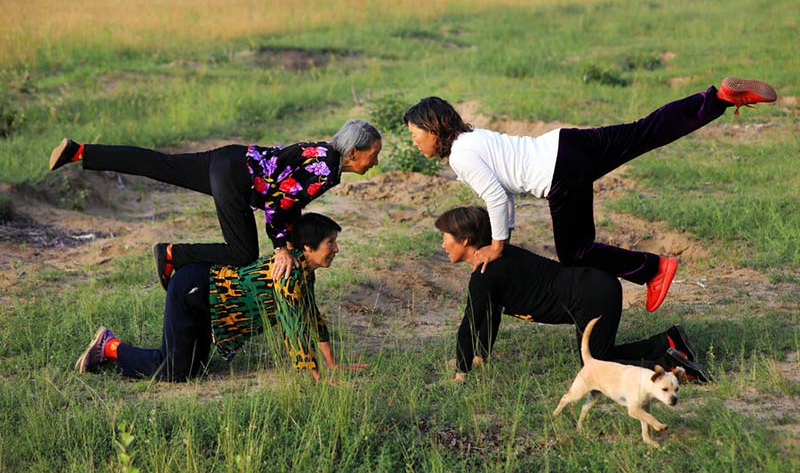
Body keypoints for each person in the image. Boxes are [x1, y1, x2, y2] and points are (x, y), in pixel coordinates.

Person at [406, 78, 777, 311]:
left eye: (414, 134)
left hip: (560, 174)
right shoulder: (474, 138)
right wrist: (508, 232)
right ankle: (720, 98)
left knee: (575, 252)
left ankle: (654, 269)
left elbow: (497, 199)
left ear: (432, 129)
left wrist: (500, 246)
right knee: (645, 130)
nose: (414, 142)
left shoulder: (461, 156)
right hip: (569, 143)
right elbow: (504, 191)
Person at [49, 119, 382, 289]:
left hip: (229, 158)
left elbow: (287, 202)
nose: (376, 162)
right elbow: (279, 204)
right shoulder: (325, 170)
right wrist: (281, 247)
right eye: (374, 154)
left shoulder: (324, 155)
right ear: (354, 153)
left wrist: (291, 238)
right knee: (243, 254)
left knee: (159, 164)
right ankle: (172, 255)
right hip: (237, 180)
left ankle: (80, 152)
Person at [74, 213, 367, 383]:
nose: (337, 249)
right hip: (194, 289)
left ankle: (112, 348)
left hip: (209, 299)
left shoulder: (304, 272)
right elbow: (293, 326)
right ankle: (109, 346)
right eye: (331, 243)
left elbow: (311, 317)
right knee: (174, 371)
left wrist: (332, 364)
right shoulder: (289, 274)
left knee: (192, 371)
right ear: (307, 247)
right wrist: (317, 377)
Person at [434, 206, 710, 383]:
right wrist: (478, 356)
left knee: (597, 367)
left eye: (445, 236)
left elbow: (468, 325)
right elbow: (489, 314)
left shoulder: (485, 275)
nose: (442, 244)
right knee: (600, 357)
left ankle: (672, 364)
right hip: (595, 288)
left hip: (591, 296)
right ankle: (669, 341)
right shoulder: (494, 263)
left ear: (465, 240)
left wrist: (461, 372)